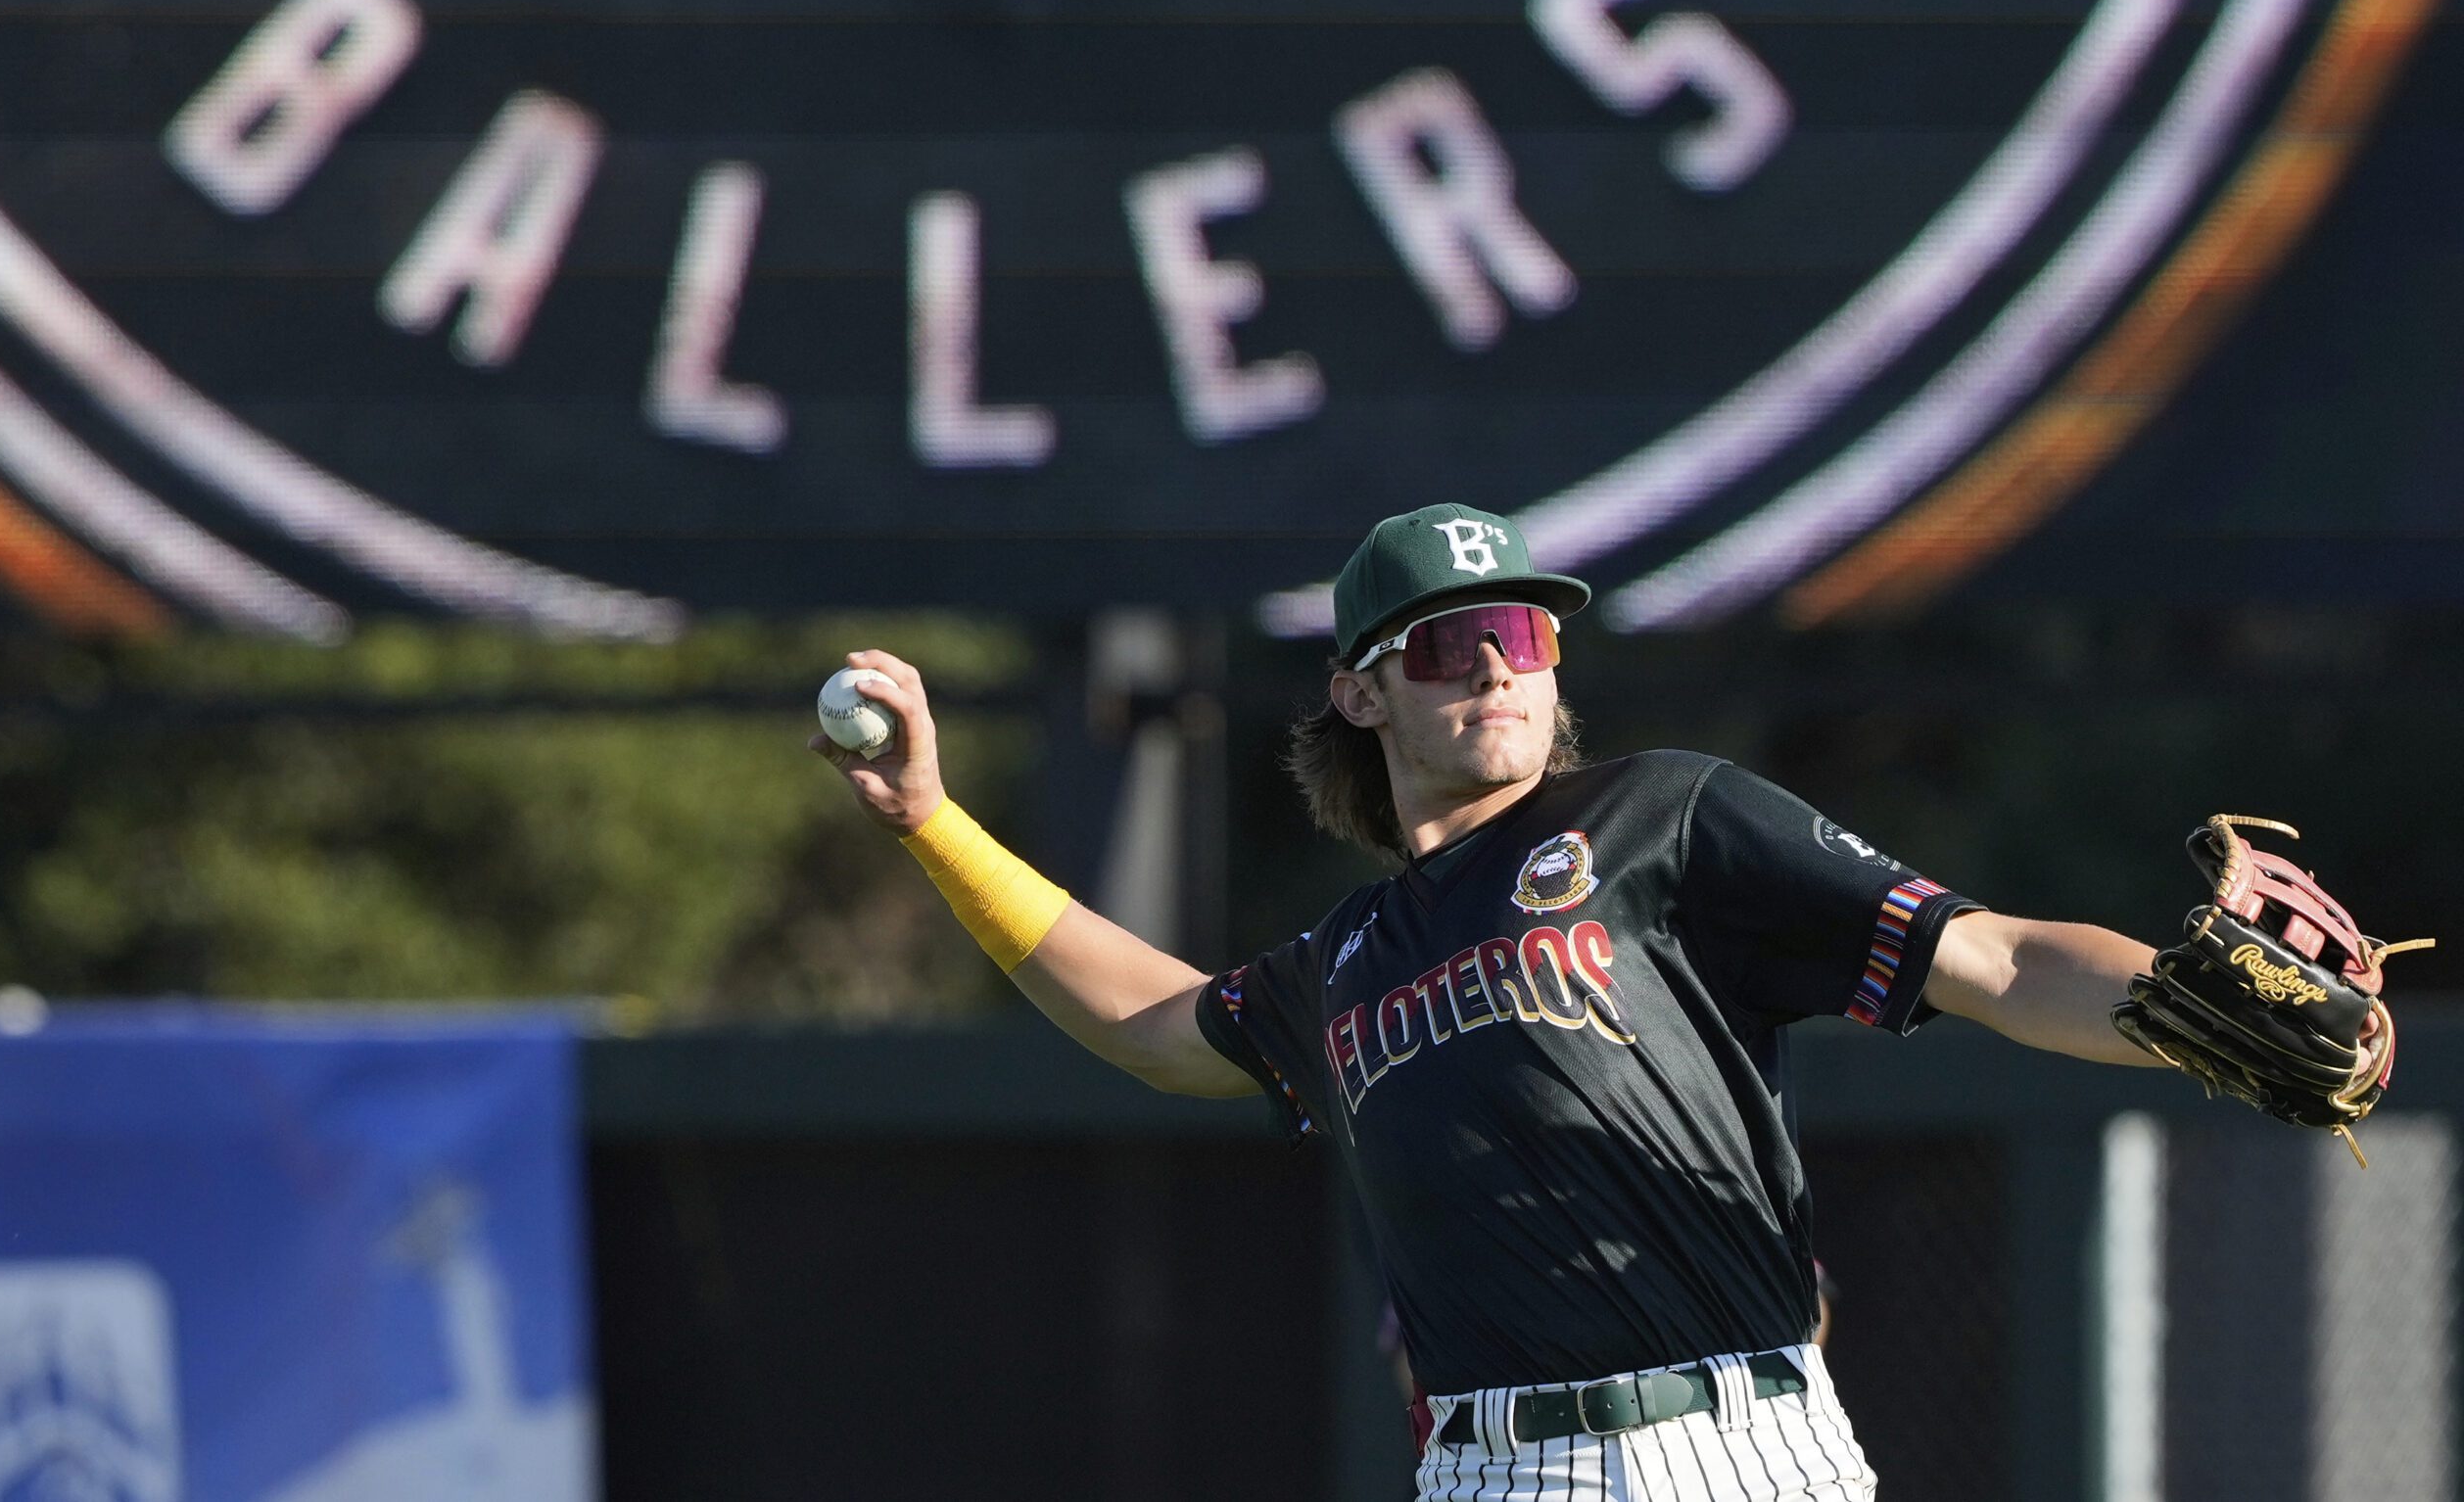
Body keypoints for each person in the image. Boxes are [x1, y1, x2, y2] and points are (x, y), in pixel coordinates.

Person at [811, 501, 2191, 1500]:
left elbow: (1994, 959)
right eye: (1444, 643)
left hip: (1735, 1448)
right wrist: (936, 825)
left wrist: (2178, 1006)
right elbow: (1153, 1027)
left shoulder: (1669, 816)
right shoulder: (1344, 961)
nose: (1493, 664)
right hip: (1494, 1471)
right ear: (1358, 691)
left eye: (1522, 631)